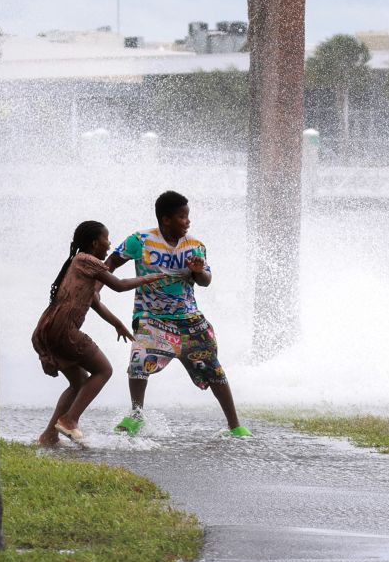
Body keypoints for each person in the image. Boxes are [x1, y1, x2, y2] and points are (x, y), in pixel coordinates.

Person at [107, 190, 251, 437]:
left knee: (214, 370)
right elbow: (109, 265)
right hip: (151, 317)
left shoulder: (195, 246)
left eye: (188, 217)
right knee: (139, 359)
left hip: (189, 320)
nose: (188, 221)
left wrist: (197, 271)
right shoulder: (139, 240)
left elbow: (206, 281)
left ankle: (235, 425)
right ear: (166, 219)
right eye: (183, 217)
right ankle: (136, 416)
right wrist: (94, 289)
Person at [33, 220, 164, 445]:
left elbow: (95, 303)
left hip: (48, 328)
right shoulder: (88, 260)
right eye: (106, 239)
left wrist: (117, 324)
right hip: (64, 329)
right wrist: (148, 278)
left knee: (79, 382)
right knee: (104, 370)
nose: (109, 243)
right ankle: (69, 420)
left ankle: (49, 435)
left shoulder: (80, 265)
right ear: (95, 243)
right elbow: (119, 285)